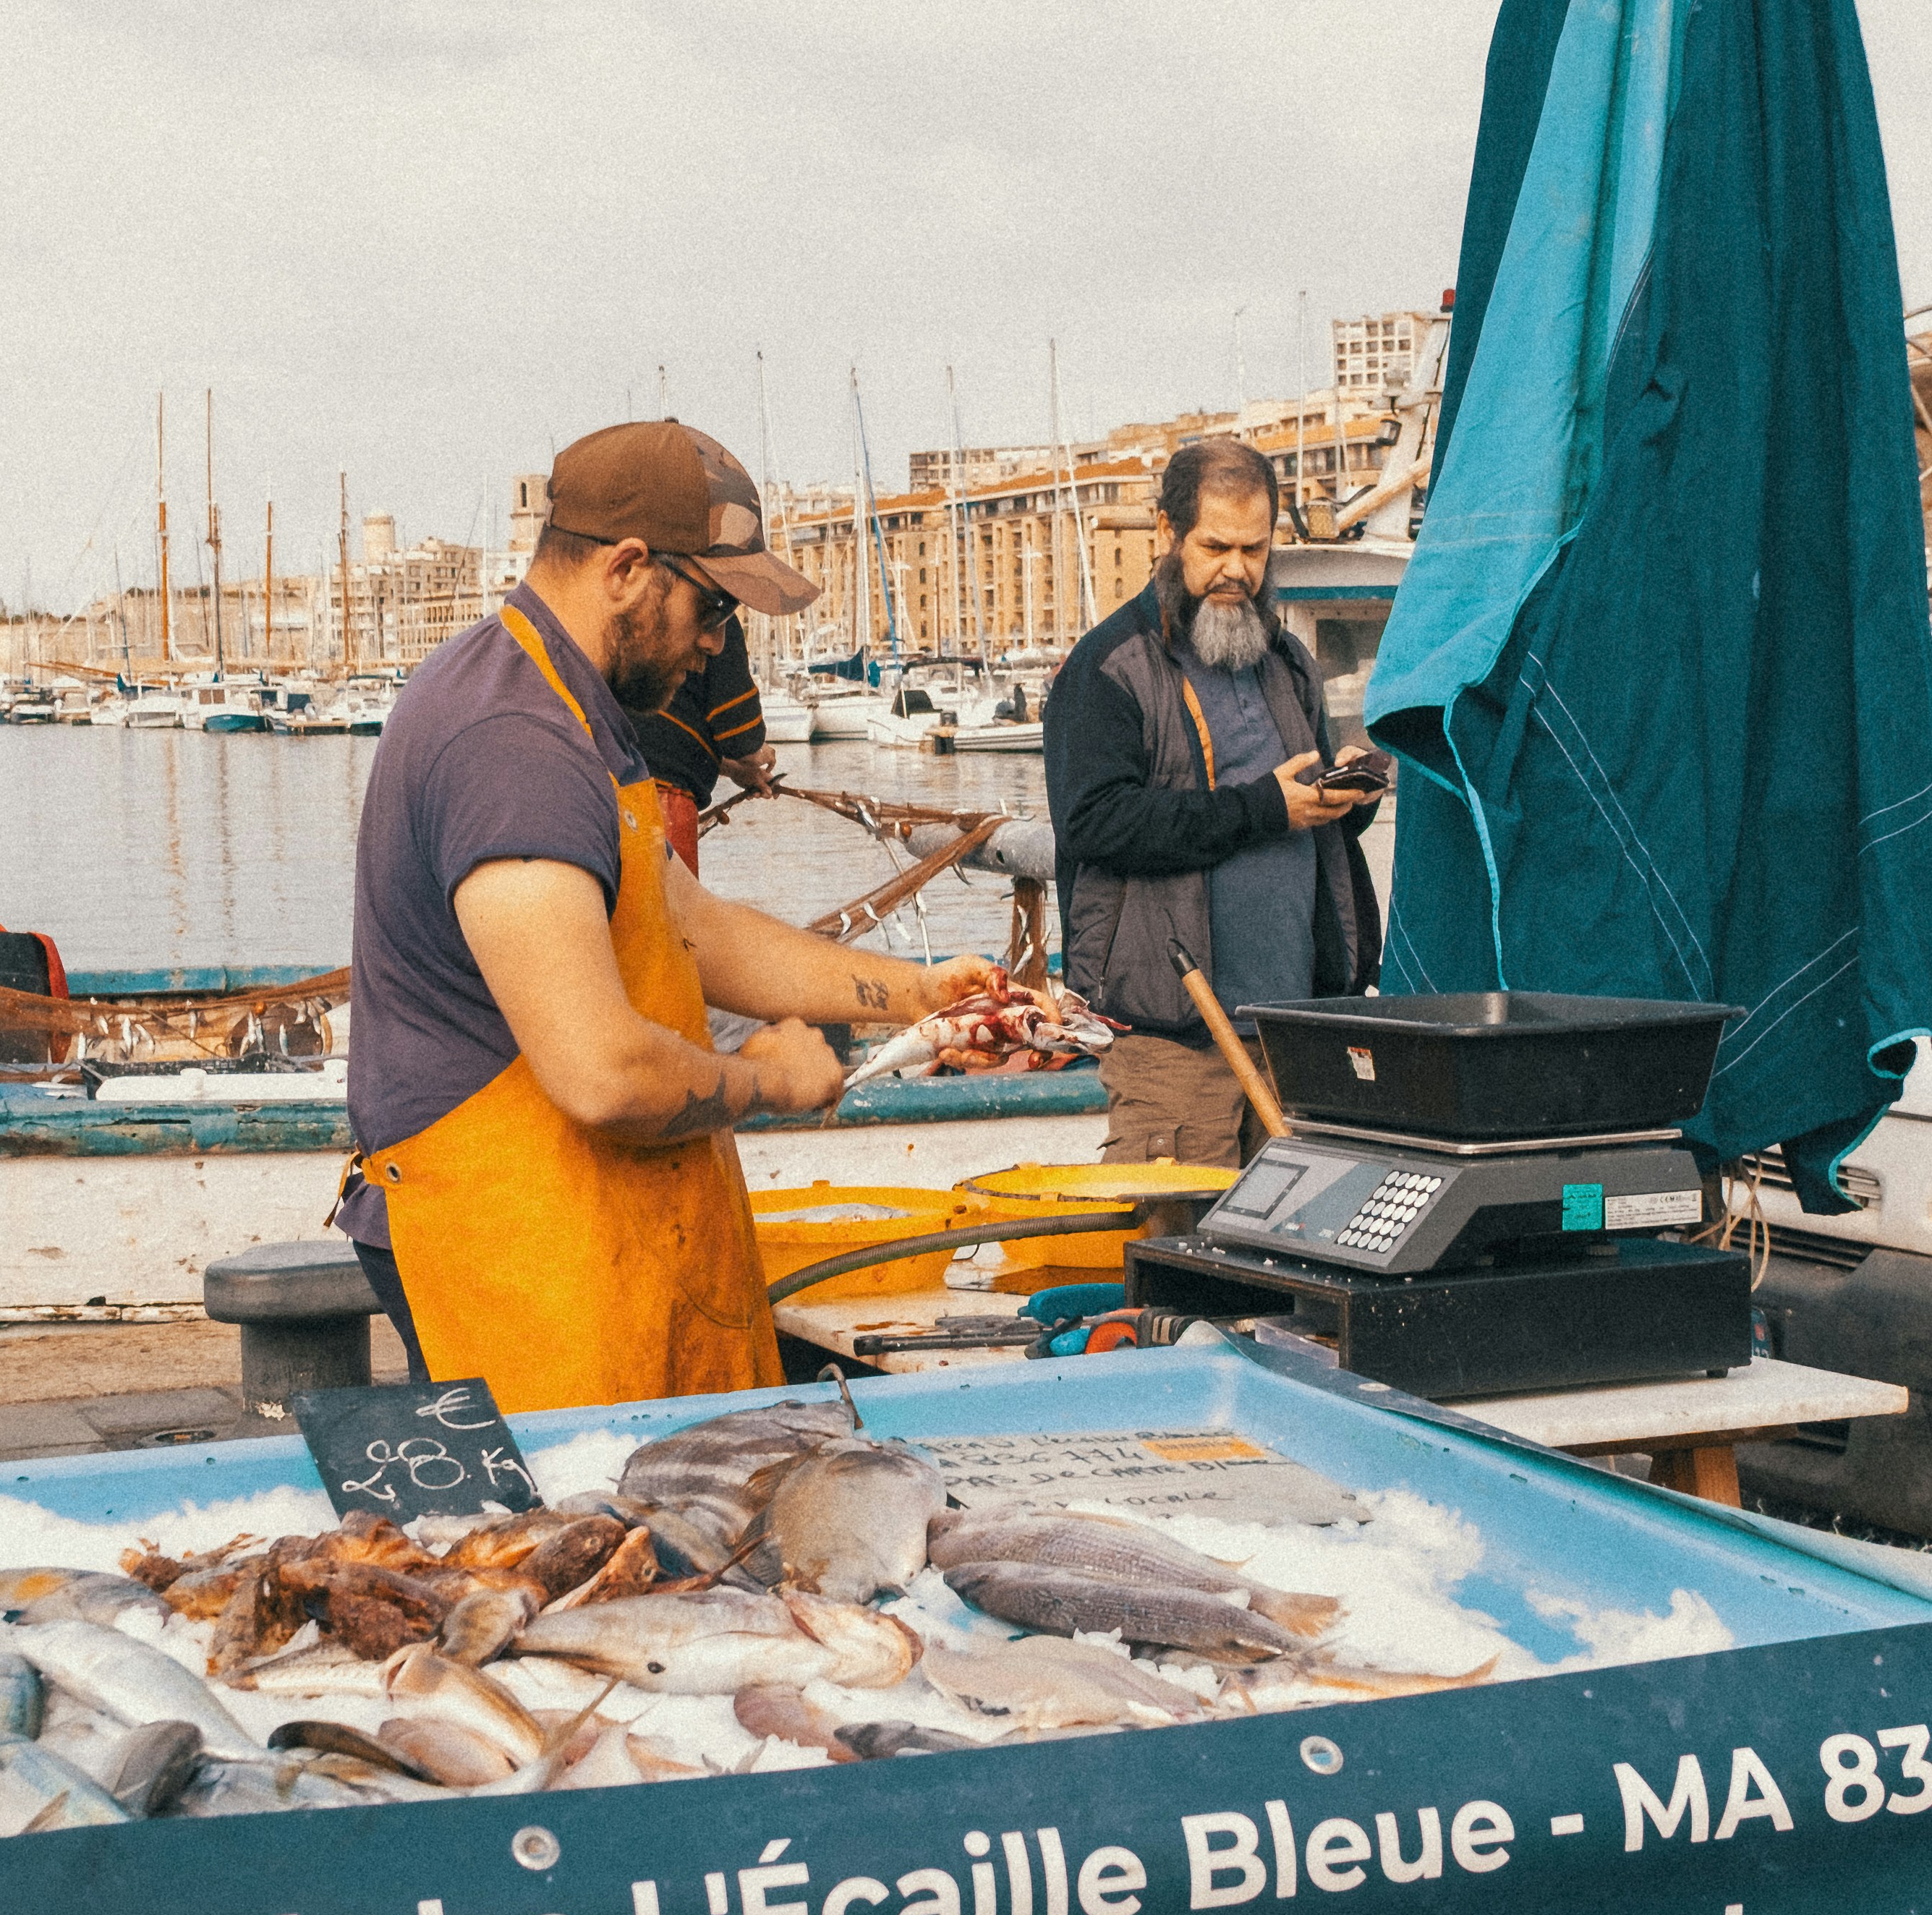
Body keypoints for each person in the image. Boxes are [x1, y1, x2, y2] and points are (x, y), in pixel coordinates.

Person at [344, 420, 1003, 1409]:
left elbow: (692, 925)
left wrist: (916, 995)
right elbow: (604, 1073)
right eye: (713, 605)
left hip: (588, 1225)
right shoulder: (513, 746)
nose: (717, 642)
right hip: (516, 1248)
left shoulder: (571, 702)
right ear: (626, 569)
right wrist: (767, 1080)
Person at [1045, 437, 1383, 1167]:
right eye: (1216, 547)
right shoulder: (1107, 667)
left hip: (1295, 1036)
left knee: (1294, 1237)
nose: (1237, 569)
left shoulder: (1288, 661)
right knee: (1179, 1235)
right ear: (1168, 534)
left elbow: (1298, 811)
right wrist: (1264, 808)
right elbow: (1094, 824)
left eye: (1255, 550)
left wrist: (1345, 796)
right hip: (1173, 1046)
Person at [626, 602, 777, 871]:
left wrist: (734, 770)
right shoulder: (715, 609)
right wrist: (757, 753)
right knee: (669, 898)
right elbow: (743, 738)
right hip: (661, 803)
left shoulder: (628, 608)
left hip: (605, 791)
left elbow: (656, 736)